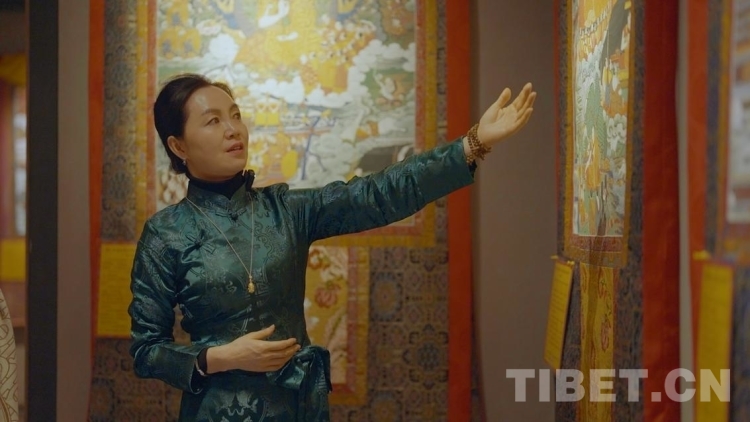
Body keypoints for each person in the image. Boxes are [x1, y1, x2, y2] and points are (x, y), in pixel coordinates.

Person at [128, 73, 536, 421]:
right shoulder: (166, 234)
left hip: (297, 405)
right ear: (179, 146)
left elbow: (377, 194)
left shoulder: (285, 210)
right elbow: (146, 351)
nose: (233, 129)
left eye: (235, 115)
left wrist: (472, 145)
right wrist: (221, 357)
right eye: (213, 121)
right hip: (217, 411)